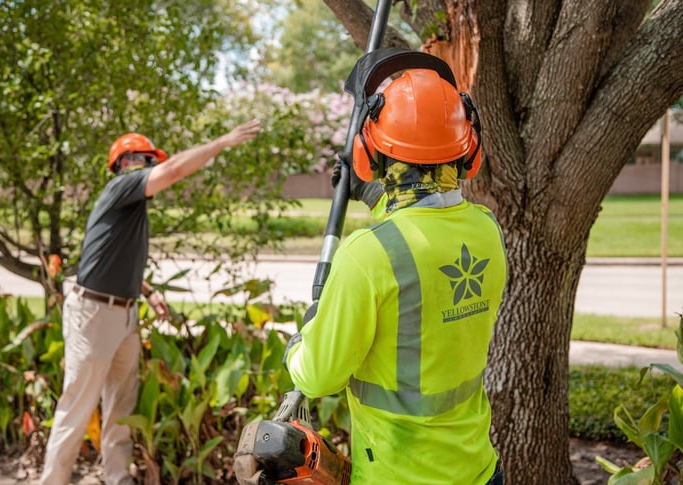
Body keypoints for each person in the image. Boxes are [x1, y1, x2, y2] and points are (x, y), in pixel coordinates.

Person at [283, 54, 507, 484]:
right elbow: (425, 225)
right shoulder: (486, 231)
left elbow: (318, 376)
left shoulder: (366, 257)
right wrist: (373, 194)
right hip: (479, 471)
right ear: (468, 152)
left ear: (369, 154)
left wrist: (300, 341)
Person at [40, 119, 261, 485]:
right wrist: (222, 142)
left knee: (121, 405)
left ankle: (117, 477)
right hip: (94, 314)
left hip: (123, 312)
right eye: (142, 158)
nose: (149, 164)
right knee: (77, 406)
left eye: (150, 158)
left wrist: (148, 292)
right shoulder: (121, 186)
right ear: (123, 164)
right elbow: (174, 169)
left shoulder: (131, 208)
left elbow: (109, 259)